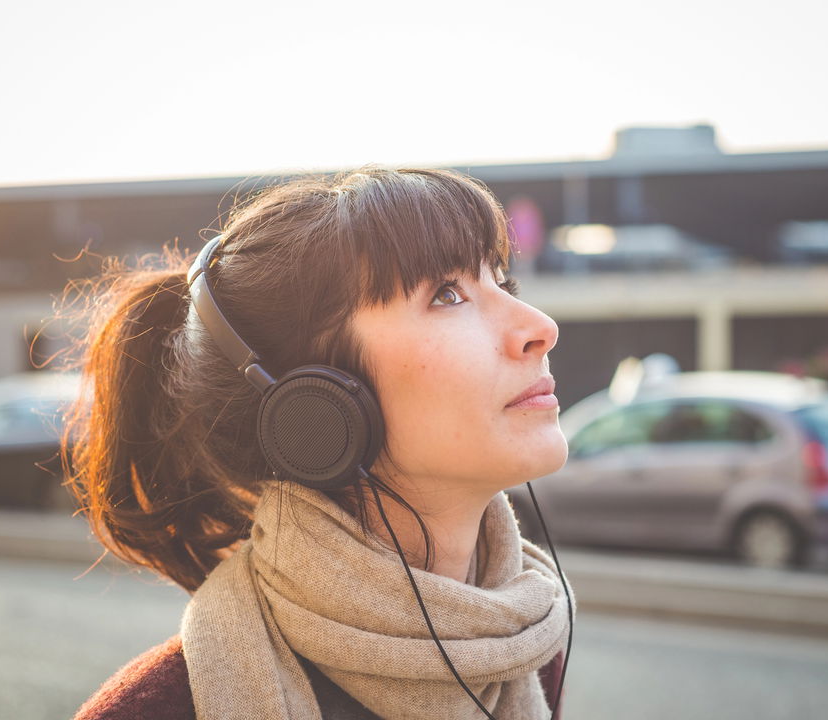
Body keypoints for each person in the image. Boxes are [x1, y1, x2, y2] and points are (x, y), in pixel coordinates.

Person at [65, 167, 574, 720]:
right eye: (447, 294)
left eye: (504, 283)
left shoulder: (521, 648)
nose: (539, 326)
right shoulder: (159, 711)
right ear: (318, 407)